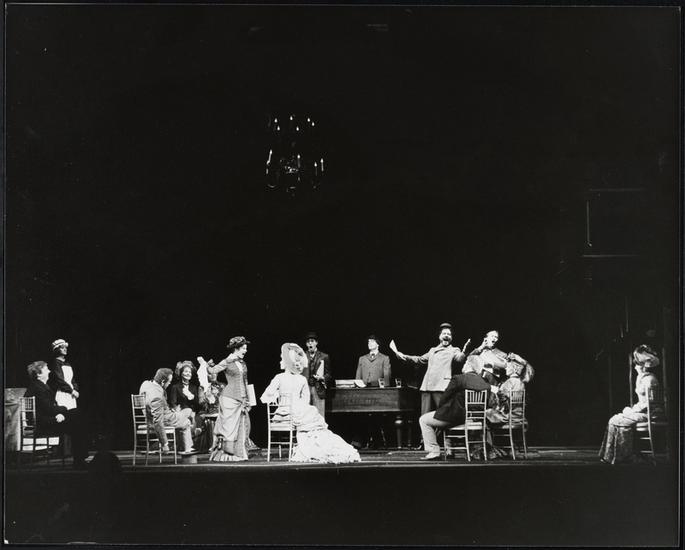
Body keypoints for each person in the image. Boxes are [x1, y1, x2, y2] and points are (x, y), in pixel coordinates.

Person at [260, 343, 360, 463]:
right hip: (296, 411)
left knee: (307, 418)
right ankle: (318, 446)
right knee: (311, 413)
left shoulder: (280, 377)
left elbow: (266, 396)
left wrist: (277, 397)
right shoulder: (300, 379)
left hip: (284, 413)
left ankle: (310, 447)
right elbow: (306, 399)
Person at [418, 360, 497, 460]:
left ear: (468, 365)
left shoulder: (458, 379)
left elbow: (444, 398)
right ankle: (450, 449)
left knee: (424, 420)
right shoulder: (486, 384)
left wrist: (442, 409)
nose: (463, 365)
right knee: (441, 418)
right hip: (475, 419)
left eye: (465, 363)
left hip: (457, 417)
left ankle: (434, 451)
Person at [599, 344, 662, 464]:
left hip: (651, 412)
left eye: (638, 364)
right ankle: (610, 456)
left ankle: (625, 456)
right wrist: (633, 409)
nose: (635, 367)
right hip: (642, 410)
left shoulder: (650, 380)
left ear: (643, 366)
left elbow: (651, 402)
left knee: (622, 421)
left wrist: (634, 410)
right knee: (614, 419)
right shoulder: (641, 378)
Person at [24, 360, 89, 469]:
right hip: (45, 423)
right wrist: (62, 411)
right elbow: (49, 408)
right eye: (46, 369)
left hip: (48, 419)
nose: (49, 371)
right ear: (39, 374)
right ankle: (79, 460)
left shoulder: (40, 386)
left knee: (77, 415)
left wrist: (59, 413)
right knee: (76, 420)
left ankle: (80, 459)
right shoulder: (38, 388)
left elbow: (48, 408)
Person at [393, 323, 466, 416]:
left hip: (440, 386)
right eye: (444, 333)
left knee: (442, 415)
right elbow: (419, 359)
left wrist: (465, 351)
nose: (446, 336)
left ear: (451, 338)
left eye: (449, 334)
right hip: (427, 386)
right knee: (424, 415)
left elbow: (460, 358)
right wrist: (404, 356)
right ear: (439, 336)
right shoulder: (432, 350)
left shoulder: (454, 350)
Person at [206, 336, 254, 462]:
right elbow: (212, 371)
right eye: (243, 348)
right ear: (236, 349)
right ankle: (226, 455)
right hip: (229, 398)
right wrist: (206, 365)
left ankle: (239, 454)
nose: (245, 351)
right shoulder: (227, 361)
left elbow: (245, 381)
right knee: (229, 428)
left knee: (242, 425)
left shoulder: (242, 363)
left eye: (246, 348)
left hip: (241, 399)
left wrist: (248, 399)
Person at [139, 368, 195, 454]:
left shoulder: (146, 384)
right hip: (164, 420)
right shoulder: (156, 396)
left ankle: (180, 446)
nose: (169, 384)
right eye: (169, 382)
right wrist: (164, 443)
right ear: (162, 381)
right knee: (186, 421)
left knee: (188, 411)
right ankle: (187, 450)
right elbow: (158, 421)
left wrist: (170, 409)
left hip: (152, 417)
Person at [303, 332, 333, 418]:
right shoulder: (302, 356)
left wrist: (322, 378)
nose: (310, 343)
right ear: (306, 344)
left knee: (319, 416)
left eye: (312, 341)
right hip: (306, 389)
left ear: (316, 343)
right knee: (306, 416)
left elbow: (328, 374)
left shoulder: (324, 356)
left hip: (319, 389)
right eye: (308, 342)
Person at [48, 338, 80, 411]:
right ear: (57, 350)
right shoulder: (55, 363)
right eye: (62, 348)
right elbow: (59, 380)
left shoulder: (67, 363)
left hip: (71, 394)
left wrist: (75, 389)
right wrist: (71, 391)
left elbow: (72, 379)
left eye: (65, 347)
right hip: (62, 393)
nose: (65, 349)